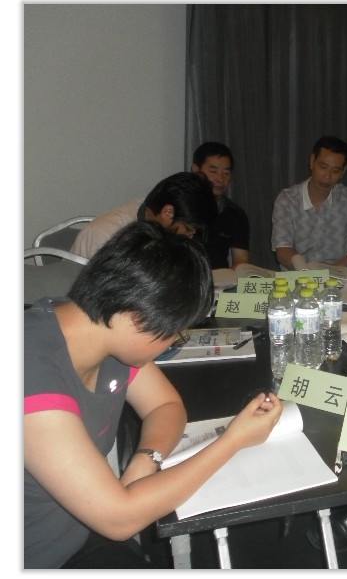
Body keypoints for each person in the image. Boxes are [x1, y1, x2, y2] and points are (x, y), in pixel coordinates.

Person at [25, 221, 283, 568]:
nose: (172, 342)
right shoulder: (29, 372)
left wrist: (146, 459)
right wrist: (232, 441)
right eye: (174, 332)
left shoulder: (101, 328)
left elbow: (165, 405)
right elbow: (119, 520)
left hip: (79, 535)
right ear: (137, 317)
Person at [71, 172, 217, 260]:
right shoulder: (106, 236)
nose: (189, 238)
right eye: (188, 231)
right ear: (168, 212)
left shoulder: (151, 221)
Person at [271, 136, 347, 270]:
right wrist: (304, 269)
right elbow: (282, 249)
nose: (327, 176)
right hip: (298, 274)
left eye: (335, 171)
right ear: (312, 161)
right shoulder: (287, 199)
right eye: (323, 167)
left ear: (343, 172)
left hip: (338, 275)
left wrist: (334, 270)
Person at [191, 141, 250, 269]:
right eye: (213, 171)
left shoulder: (235, 214)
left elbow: (240, 261)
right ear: (196, 170)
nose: (220, 179)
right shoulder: (183, 206)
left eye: (226, 173)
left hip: (220, 278)